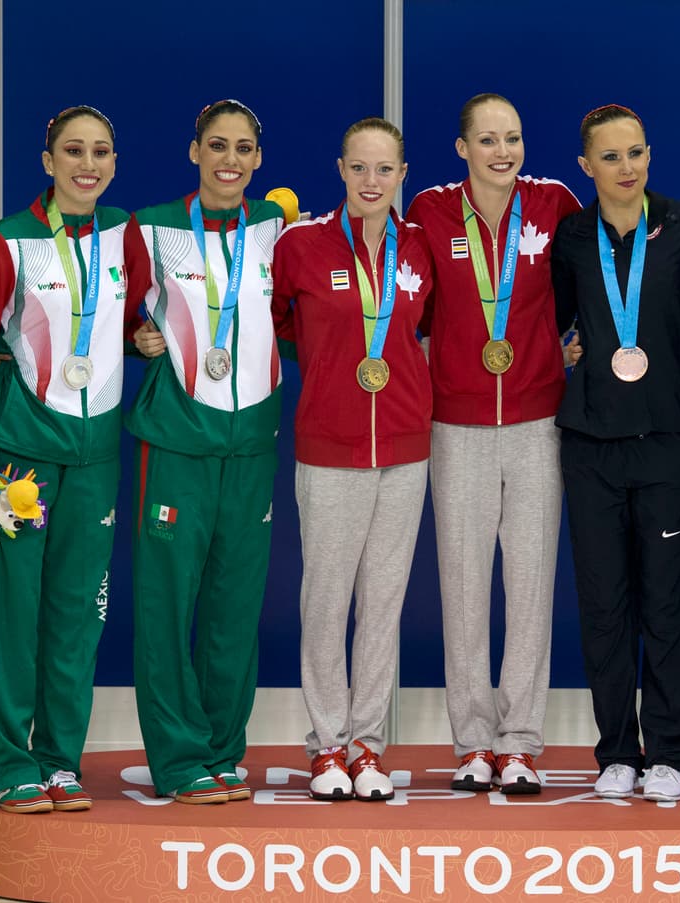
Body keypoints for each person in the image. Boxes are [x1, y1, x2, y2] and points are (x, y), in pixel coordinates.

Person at [0, 105, 148, 813]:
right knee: (10, 614)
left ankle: (59, 759)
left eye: (100, 152)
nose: (87, 164)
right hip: (14, 462)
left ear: (114, 163)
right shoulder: (6, 244)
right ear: (48, 160)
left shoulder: (126, 234)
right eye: (73, 151)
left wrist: (142, 333)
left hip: (95, 460)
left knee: (75, 617)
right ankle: (6, 763)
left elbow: (123, 312)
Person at [404, 94, 582, 795]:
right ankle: (473, 740)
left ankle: (522, 741)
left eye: (511, 137)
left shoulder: (555, 201)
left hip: (539, 421)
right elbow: (401, 299)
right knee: (465, 584)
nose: (502, 151)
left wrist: (577, 345)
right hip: (456, 423)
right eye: (487, 139)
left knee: (531, 582)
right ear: (461, 148)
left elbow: (591, 278)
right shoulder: (429, 209)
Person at [122, 99, 285, 805]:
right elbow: (106, 307)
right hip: (178, 440)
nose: (230, 159)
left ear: (258, 158)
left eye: (244, 147)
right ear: (194, 150)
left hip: (252, 441)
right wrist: (138, 334)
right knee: (166, 604)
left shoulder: (279, 229)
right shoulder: (151, 228)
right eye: (217, 145)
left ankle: (221, 749)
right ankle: (179, 756)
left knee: (234, 606)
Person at [271, 117, 434, 802]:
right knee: (326, 600)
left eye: (386, 169)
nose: (372, 181)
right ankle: (326, 745)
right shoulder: (301, 245)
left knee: (383, 603)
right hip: (330, 451)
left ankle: (368, 745)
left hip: (404, 450)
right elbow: (281, 324)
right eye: (360, 168)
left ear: (402, 173)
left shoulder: (420, 248)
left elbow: (428, 331)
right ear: (341, 169)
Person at [551, 104, 680, 803]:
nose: (628, 168)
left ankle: (672, 750)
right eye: (611, 158)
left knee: (669, 601)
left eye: (637, 152)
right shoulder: (571, 236)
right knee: (605, 604)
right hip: (590, 444)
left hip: (669, 439)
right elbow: (554, 320)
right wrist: (571, 349)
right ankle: (617, 748)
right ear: (587, 167)